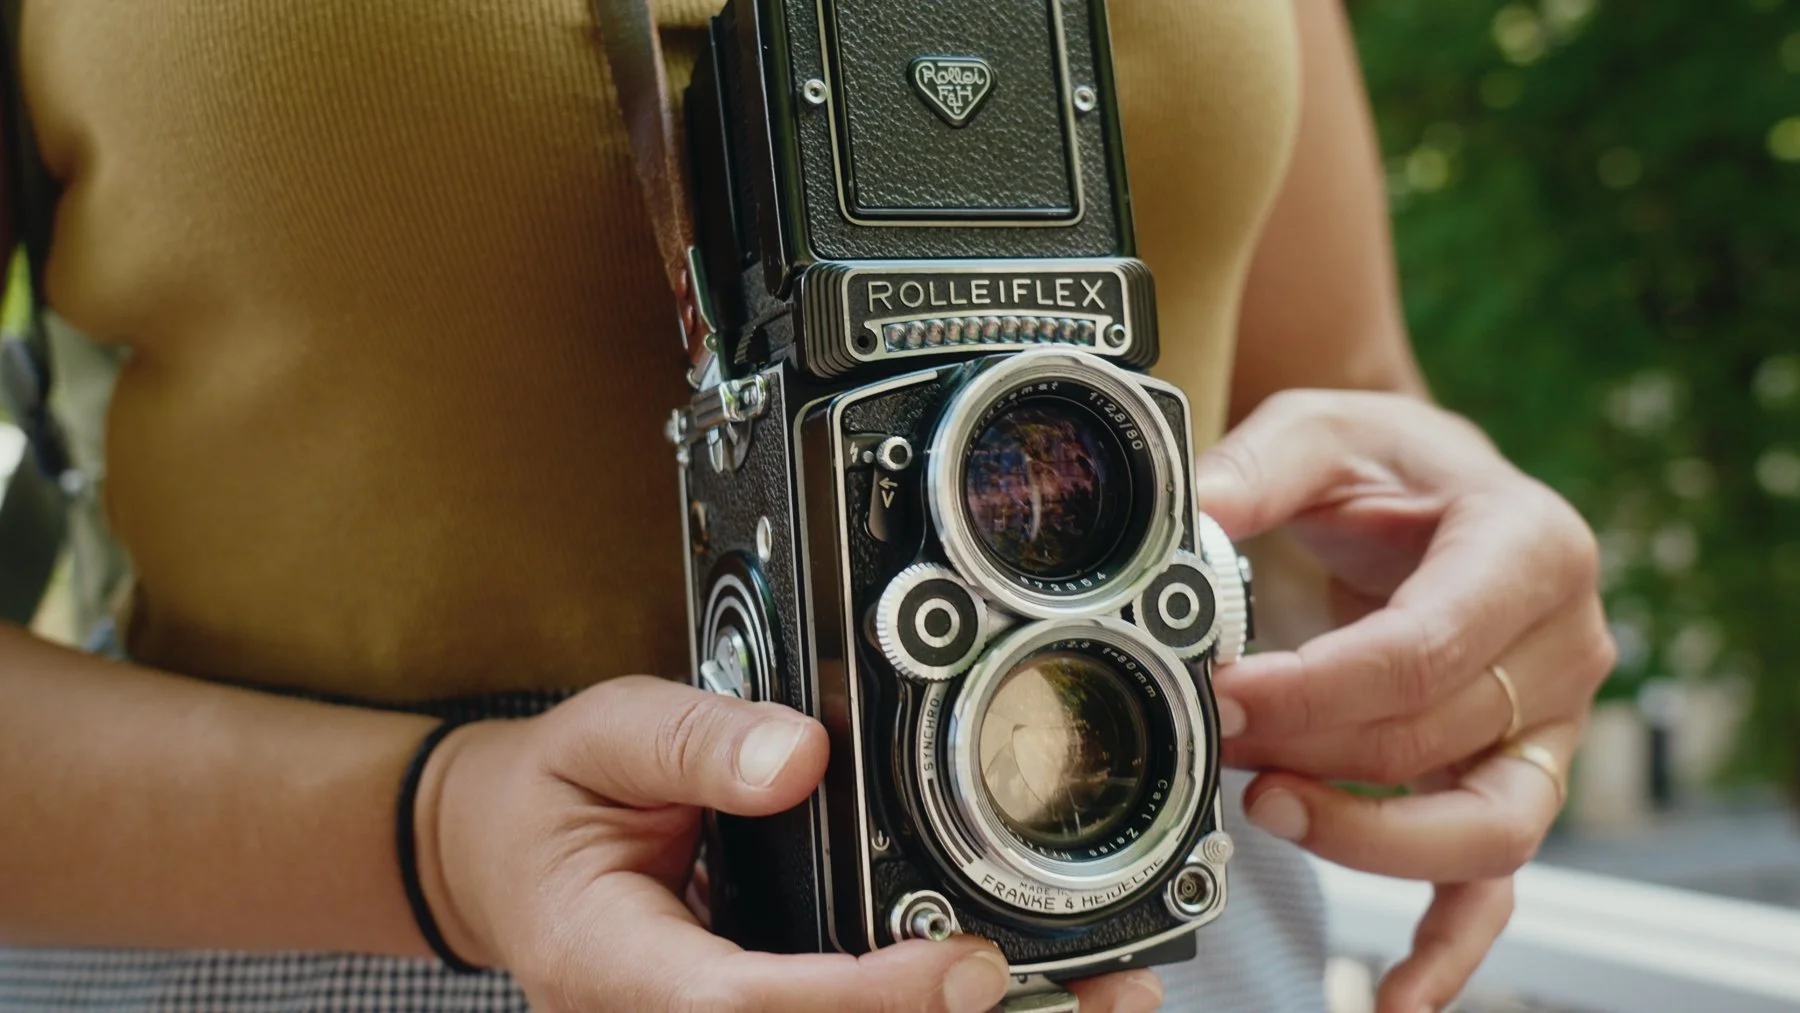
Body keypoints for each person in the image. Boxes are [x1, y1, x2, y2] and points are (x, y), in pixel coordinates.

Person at [0, 0, 1614, 1011]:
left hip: (1136, 926)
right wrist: (435, 838)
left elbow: (1330, 399)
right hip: (337, 944)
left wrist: (1456, 598)